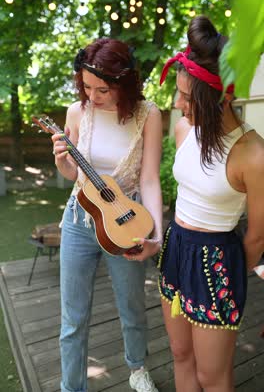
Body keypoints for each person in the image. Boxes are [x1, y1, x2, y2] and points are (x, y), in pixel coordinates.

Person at [158, 15, 264, 392]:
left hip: (217, 259)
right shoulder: (185, 127)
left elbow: (255, 238)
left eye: (188, 97)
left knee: (213, 376)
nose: (178, 104)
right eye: (179, 92)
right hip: (176, 249)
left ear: (223, 97)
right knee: (180, 354)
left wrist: (228, 271)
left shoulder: (253, 155)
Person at [51, 38, 163, 392]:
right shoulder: (76, 112)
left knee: (131, 305)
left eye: (102, 89)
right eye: (86, 86)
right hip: (80, 220)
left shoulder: (149, 115)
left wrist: (155, 236)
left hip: (126, 219)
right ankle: (72, 386)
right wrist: (62, 163)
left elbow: (149, 179)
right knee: (73, 316)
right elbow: (76, 177)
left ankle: (137, 368)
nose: (93, 96)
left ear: (124, 83)